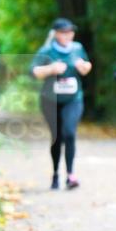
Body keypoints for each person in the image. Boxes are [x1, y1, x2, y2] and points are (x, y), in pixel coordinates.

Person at [30, 18, 93, 190]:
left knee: (69, 133)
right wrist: (51, 69)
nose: (68, 35)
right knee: (56, 138)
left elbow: (87, 67)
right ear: (56, 33)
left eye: (70, 32)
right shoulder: (47, 50)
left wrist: (84, 67)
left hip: (73, 99)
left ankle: (71, 175)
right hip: (50, 100)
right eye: (64, 32)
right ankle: (56, 173)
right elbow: (33, 72)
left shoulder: (78, 48)